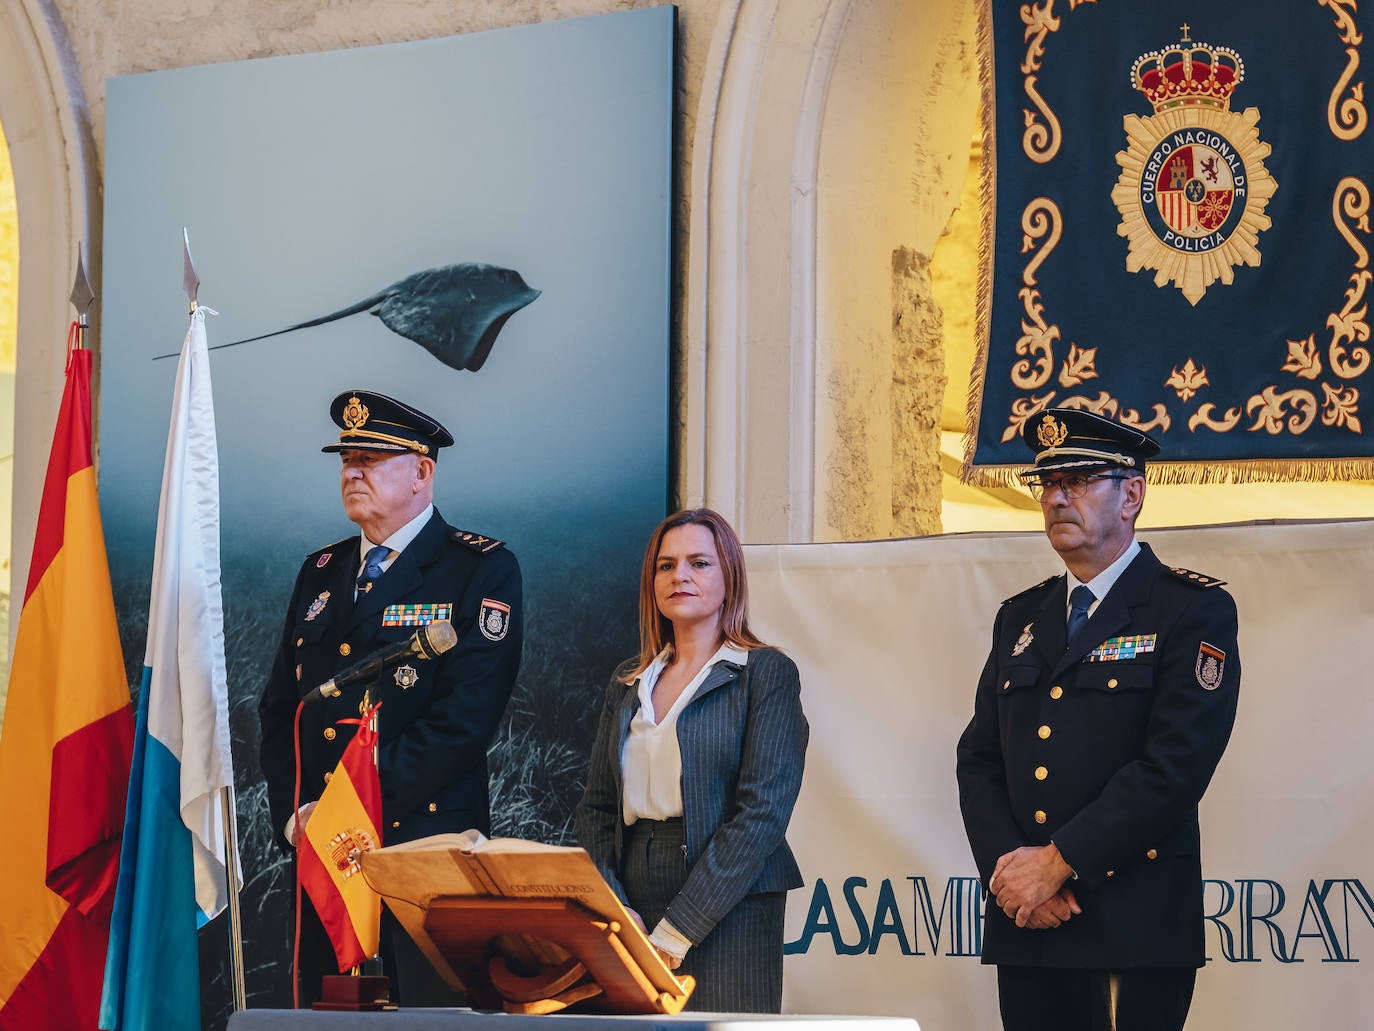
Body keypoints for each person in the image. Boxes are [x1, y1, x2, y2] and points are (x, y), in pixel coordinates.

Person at [956, 408, 1241, 1031]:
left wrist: (1057, 863)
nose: (1057, 497)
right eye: (1047, 483)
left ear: (1132, 494)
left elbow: (1175, 766)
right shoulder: (1021, 618)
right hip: (1031, 920)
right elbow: (980, 759)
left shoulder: (1190, 610)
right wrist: (1016, 874)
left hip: (1129, 924)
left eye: (1079, 479)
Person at [258, 389, 522, 1006]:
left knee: (423, 1016)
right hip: (326, 853)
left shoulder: (477, 569)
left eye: (372, 458)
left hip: (422, 855)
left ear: (422, 473)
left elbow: (463, 724)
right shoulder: (319, 571)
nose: (352, 471)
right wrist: (296, 814)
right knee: (328, 1018)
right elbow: (281, 710)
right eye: (347, 458)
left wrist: (347, 811)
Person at [575, 508, 809, 1013]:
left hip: (732, 895)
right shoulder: (628, 681)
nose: (679, 575)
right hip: (631, 888)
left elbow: (761, 813)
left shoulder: (765, 673)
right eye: (666, 565)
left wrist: (681, 928)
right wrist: (616, 907)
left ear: (730, 577)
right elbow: (595, 808)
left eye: (699, 563)